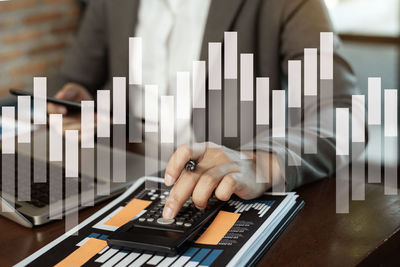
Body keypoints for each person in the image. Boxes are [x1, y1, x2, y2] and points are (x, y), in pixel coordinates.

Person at [48, 0, 360, 220]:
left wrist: (258, 162)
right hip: (117, 181)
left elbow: (345, 114)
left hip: (222, 198)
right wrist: (74, 104)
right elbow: (71, 81)